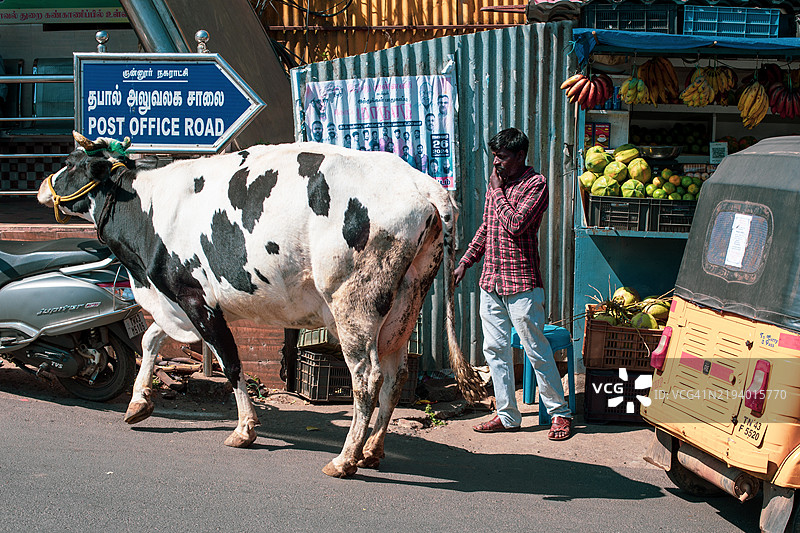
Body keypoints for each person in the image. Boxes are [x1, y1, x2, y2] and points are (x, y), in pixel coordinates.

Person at [454, 127, 572, 440]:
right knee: (495, 349)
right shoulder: (500, 185)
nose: (496, 163)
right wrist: (466, 261)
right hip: (490, 280)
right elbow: (488, 228)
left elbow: (516, 224)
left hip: (522, 283)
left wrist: (495, 192)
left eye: (503, 157)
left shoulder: (536, 184)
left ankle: (559, 414)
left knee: (535, 349)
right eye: (494, 156)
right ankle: (507, 415)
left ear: (520, 156)